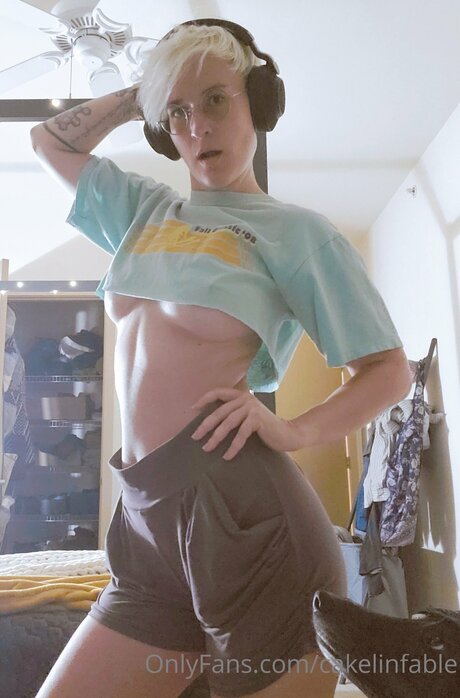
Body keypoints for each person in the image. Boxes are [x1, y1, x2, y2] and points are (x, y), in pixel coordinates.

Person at [31, 18, 411, 698]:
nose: (198, 126)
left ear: (256, 103)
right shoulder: (145, 212)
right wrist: (146, 91)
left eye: (215, 100)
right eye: (178, 112)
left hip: (248, 523)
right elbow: (49, 141)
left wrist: (294, 430)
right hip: (145, 520)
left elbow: (388, 371)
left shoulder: (296, 233)